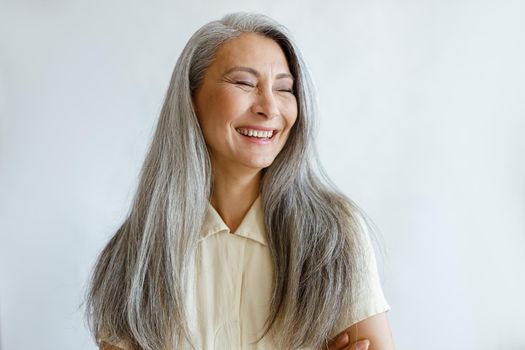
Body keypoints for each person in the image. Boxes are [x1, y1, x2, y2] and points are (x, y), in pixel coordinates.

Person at [84, 12, 395, 350]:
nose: (269, 106)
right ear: (191, 100)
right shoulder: (135, 253)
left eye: (284, 88)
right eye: (244, 83)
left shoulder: (334, 234)